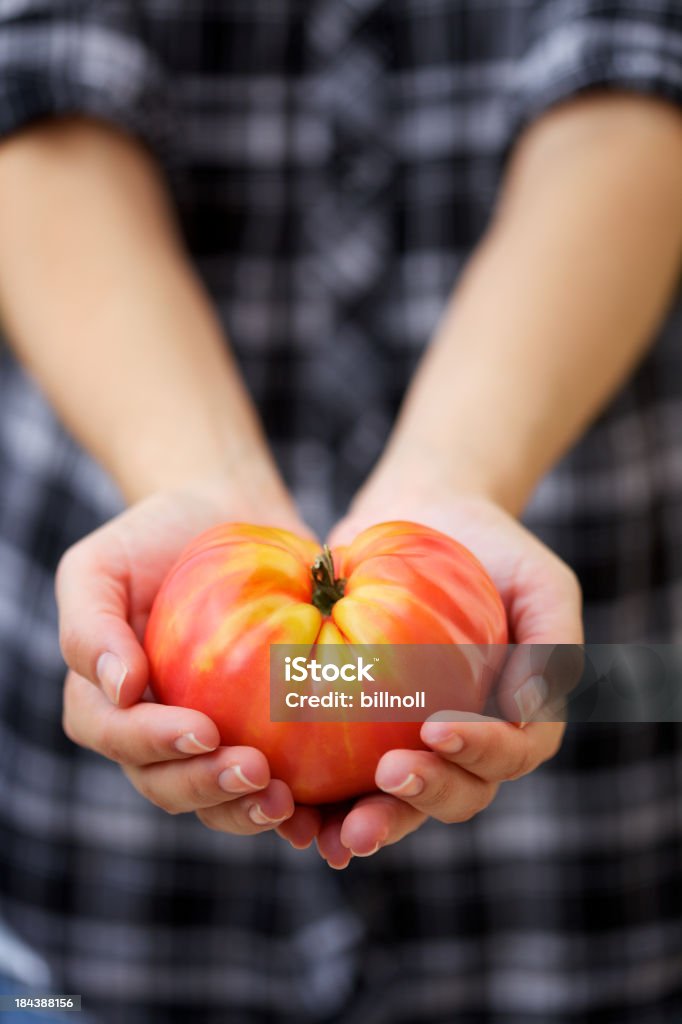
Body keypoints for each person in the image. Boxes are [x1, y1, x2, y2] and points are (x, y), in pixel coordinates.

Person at [0, 1, 680, 1021]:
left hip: (592, 774)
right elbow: (33, 101)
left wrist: (461, 475)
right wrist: (192, 478)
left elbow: (642, 91)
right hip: (115, 863)